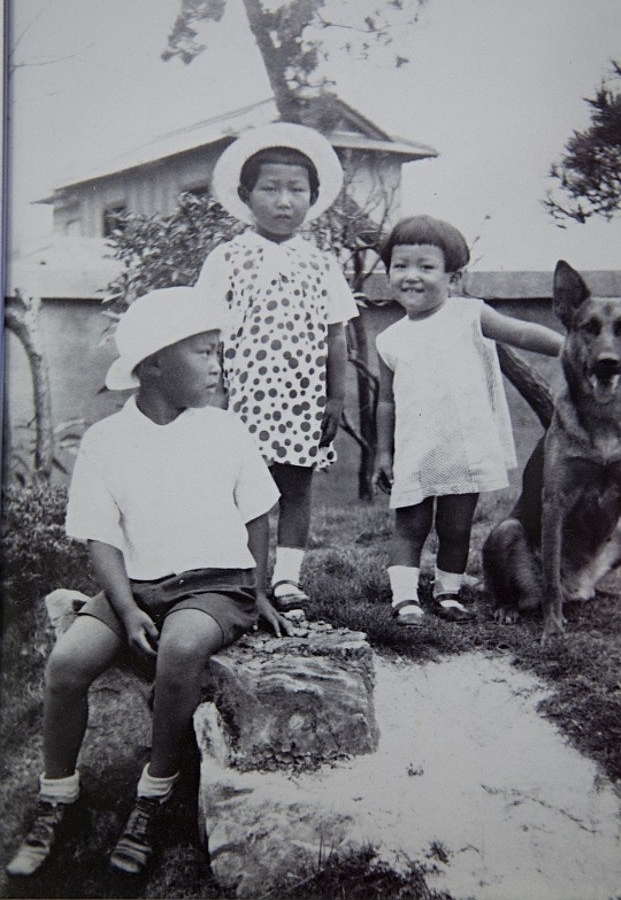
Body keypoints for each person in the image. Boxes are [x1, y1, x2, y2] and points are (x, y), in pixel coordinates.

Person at [6, 287, 289, 879]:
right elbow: (100, 536)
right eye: (204, 353)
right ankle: (58, 795)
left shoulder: (224, 430)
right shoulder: (108, 441)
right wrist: (127, 606)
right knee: (66, 664)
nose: (218, 366)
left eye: (219, 353)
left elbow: (258, 511)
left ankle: (154, 794)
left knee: (181, 648)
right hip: (135, 583)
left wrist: (258, 589)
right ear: (154, 363)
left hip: (217, 585)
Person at [195, 122, 359, 617]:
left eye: (296, 190)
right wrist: (211, 393)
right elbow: (206, 331)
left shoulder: (321, 264)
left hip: (303, 398)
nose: (284, 201)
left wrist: (336, 398)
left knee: (296, 488)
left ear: (313, 198)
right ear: (246, 196)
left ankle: (287, 579)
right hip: (242, 396)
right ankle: (240, 576)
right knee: (241, 488)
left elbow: (336, 335)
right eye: (271, 189)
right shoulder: (228, 257)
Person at [374, 216, 563, 626]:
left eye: (426, 267)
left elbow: (523, 333)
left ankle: (448, 592)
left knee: (456, 527)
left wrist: (568, 349)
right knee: (410, 525)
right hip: (415, 448)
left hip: (464, 446)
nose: (411, 276)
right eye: (400, 266)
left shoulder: (469, 315)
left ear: (454, 277)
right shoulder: (388, 339)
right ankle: (404, 598)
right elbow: (385, 403)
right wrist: (383, 452)